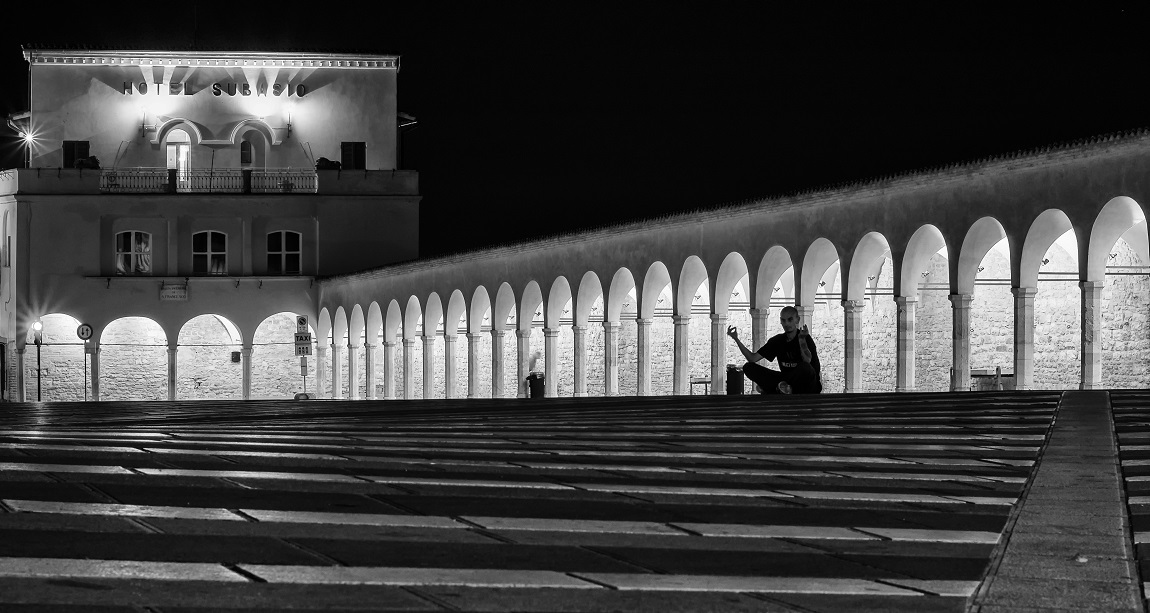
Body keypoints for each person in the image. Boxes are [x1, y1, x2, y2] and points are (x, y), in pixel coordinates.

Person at [726, 306, 822, 394]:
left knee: (806, 368)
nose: (786, 324)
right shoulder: (777, 341)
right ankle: (782, 388)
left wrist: (802, 340)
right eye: (783, 320)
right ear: (780, 321)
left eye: (790, 320)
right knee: (748, 367)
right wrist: (736, 339)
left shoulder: (805, 338)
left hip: (807, 384)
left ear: (797, 320)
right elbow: (752, 358)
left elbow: (807, 361)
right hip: (785, 380)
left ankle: (775, 389)